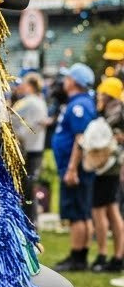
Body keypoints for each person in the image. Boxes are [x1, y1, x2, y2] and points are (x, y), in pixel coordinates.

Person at [51, 62, 96, 272]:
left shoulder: (79, 105)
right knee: (82, 212)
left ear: (74, 82)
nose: (65, 82)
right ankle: (81, 255)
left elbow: (80, 139)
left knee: (77, 213)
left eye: (68, 78)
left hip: (75, 169)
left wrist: (71, 168)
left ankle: (77, 258)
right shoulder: (81, 102)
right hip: (76, 167)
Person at [81, 77, 124, 273]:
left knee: (100, 211)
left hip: (108, 168)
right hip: (112, 168)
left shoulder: (115, 114)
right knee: (113, 210)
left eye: (101, 94)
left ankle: (103, 254)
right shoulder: (116, 112)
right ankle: (117, 256)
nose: (98, 97)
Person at [9, 72, 49, 225]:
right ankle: (32, 221)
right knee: (31, 188)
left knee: (26, 188)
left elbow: (11, 114)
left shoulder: (29, 101)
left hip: (28, 150)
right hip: (37, 148)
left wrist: (19, 132)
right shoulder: (41, 101)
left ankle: (27, 221)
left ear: (29, 85)